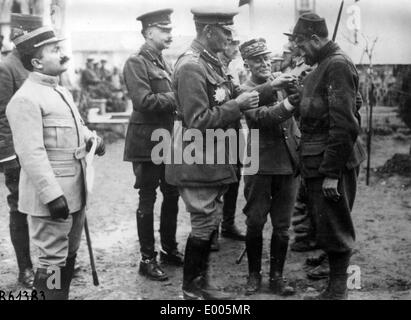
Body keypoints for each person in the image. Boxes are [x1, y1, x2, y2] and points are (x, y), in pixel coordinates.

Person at [165, 7, 296, 300]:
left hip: (210, 158)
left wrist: (272, 85)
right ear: (208, 30)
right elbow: (197, 121)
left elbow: (236, 92)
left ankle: (202, 283)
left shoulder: (211, 63)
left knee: (208, 222)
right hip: (195, 157)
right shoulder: (191, 66)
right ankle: (191, 290)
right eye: (225, 32)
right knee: (202, 223)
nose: (229, 38)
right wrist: (237, 106)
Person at [6, 25, 105, 300]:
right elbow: (31, 154)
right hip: (53, 198)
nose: (63, 55)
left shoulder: (60, 92)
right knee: (52, 261)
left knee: (67, 257)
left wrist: (91, 139)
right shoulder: (25, 99)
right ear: (37, 62)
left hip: (75, 191)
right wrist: (52, 196)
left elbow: (77, 125)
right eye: (55, 50)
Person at [290, 13, 366, 300]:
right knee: (327, 225)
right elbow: (324, 108)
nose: (299, 51)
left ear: (314, 39)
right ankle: (334, 290)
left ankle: (337, 294)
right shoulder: (323, 64)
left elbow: (344, 123)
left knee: (335, 227)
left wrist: (332, 173)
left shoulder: (336, 65)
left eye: (301, 44)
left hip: (332, 162)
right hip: (318, 159)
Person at [123, 8, 182, 282]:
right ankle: (147, 259)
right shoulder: (136, 62)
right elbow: (143, 101)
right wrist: (178, 97)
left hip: (166, 140)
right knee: (147, 197)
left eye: (170, 29)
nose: (170, 34)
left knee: (172, 194)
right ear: (149, 32)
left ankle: (169, 249)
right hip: (146, 141)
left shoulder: (161, 61)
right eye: (165, 30)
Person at [239, 38, 301, 296]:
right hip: (260, 164)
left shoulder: (280, 79)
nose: (264, 63)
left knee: (283, 225)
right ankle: (254, 275)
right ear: (246, 64)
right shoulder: (244, 90)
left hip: (288, 161)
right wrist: (289, 103)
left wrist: (299, 85)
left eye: (266, 58)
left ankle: (276, 276)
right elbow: (262, 118)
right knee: (255, 221)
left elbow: (300, 111)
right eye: (257, 60)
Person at [0, 13, 44, 288]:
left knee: (46, 207)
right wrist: (8, 158)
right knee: (19, 208)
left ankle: (50, 265)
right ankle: (25, 268)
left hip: (40, 149)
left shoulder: (34, 65)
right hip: (17, 153)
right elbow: (1, 115)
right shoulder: (7, 68)